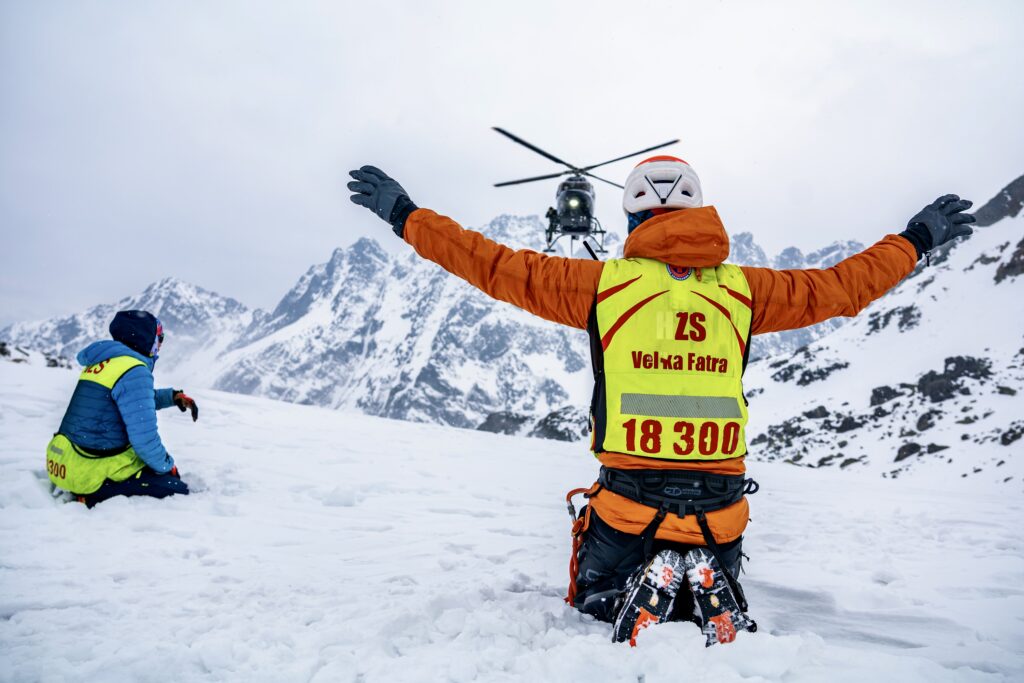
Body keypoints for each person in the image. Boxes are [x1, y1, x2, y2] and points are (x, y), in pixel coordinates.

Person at [347, 158, 974, 646]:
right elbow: (843, 286)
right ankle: (707, 581)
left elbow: (489, 263)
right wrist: (918, 238)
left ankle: (627, 589)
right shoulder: (747, 291)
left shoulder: (599, 286)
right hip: (723, 512)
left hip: (626, 504)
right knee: (702, 556)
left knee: (594, 597)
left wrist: (405, 214)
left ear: (630, 220)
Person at [45, 310, 199, 507]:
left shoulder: (105, 362)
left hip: (63, 459)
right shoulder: (134, 370)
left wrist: (172, 397)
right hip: (88, 470)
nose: (160, 345)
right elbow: (144, 440)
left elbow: (131, 400)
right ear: (145, 338)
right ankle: (92, 495)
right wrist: (168, 467)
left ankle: (87, 486)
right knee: (175, 487)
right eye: (159, 338)